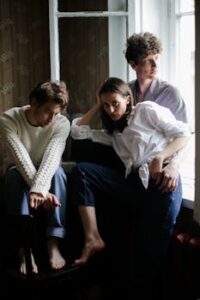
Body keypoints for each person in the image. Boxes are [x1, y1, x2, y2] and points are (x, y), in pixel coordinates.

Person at [70, 77, 190, 298]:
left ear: (128, 98)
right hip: (135, 185)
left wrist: (166, 159)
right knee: (82, 171)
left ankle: (142, 292)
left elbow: (184, 133)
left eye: (115, 102)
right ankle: (93, 237)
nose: (111, 109)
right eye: (106, 106)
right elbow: (76, 131)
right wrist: (99, 102)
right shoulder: (114, 134)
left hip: (162, 179)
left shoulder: (145, 111)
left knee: (149, 247)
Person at [0, 80, 70, 274]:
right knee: (13, 176)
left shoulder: (62, 123)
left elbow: (53, 156)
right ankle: (25, 249)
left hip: (47, 169)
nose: (51, 119)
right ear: (34, 103)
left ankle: (53, 242)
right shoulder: (8, 119)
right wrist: (39, 189)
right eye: (48, 111)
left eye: (56, 113)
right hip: (19, 169)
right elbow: (20, 157)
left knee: (59, 173)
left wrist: (40, 188)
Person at [125, 31, 188, 194]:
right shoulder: (126, 93)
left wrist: (174, 166)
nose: (155, 65)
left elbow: (187, 136)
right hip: (134, 169)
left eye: (157, 59)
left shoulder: (171, 93)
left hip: (164, 168)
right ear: (133, 65)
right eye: (148, 61)